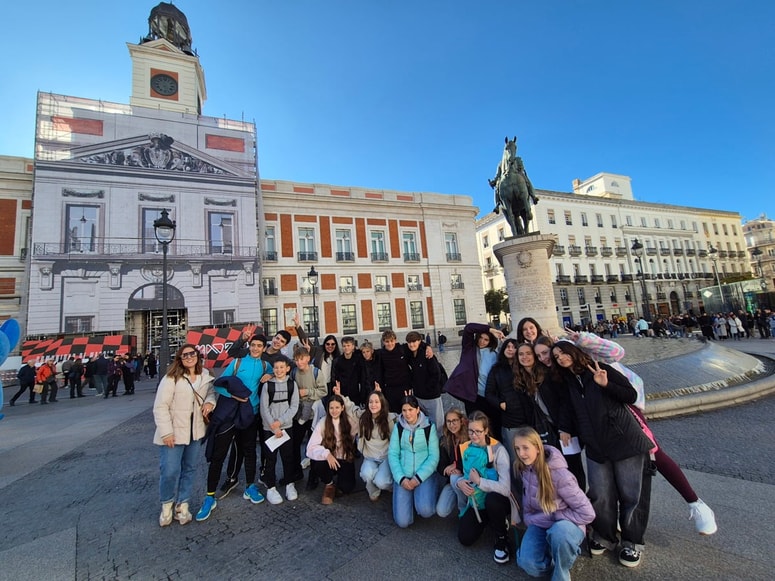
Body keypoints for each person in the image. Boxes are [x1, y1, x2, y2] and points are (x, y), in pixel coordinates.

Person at [562, 328, 717, 534]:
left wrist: (583, 338)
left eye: (562, 353)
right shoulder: (563, 367)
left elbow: (617, 352)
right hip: (597, 420)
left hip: (624, 407)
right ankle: (618, 516)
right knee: (611, 469)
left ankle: (696, 504)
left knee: (654, 453)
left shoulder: (588, 351)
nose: (560, 357)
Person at [551, 341, 653, 568]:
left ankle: (632, 542)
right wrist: (564, 427)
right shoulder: (568, 382)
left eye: (563, 353)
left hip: (624, 441)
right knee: (600, 494)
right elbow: (568, 407)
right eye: (556, 356)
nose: (561, 358)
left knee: (631, 494)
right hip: (595, 446)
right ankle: (605, 536)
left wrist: (606, 385)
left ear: (574, 351)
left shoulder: (601, 368)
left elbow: (631, 394)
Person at [198, 334, 272, 520]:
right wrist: (234, 396)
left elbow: (279, 375)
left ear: (264, 348)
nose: (255, 348)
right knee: (219, 454)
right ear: (249, 346)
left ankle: (250, 486)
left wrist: (270, 375)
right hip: (231, 414)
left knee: (249, 451)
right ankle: (209, 496)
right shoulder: (238, 362)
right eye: (253, 345)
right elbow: (219, 385)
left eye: (259, 346)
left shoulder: (266, 365)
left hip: (250, 414)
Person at [514, 427, 594, 581]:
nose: (521, 453)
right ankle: (555, 556)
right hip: (541, 522)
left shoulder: (561, 475)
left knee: (559, 532)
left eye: (525, 448)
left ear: (538, 448)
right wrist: (529, 520)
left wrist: (556, 516)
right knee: (528, 564)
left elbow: (587, 513)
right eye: (517, 449)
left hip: (566, 525)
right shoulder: (525, 469)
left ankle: (561, 571)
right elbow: (528, 507)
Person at [152, 344, 215, 527]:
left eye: (192, 354)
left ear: (197, 355)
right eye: (184, 355)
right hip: (174, 431)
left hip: (195, 431)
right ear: (179, 359)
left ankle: (183, 504)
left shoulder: (205, 375)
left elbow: (210, 394)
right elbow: (160, 406)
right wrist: (166, 432)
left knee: (189, 469)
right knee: (169, 470)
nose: (189, 357)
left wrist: (210, 403)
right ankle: (167, 504)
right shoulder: (171, 378)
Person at [454, 411, 512, 564]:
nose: (473, 435)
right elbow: (466, 475)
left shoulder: (498, 450)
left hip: (498, 500)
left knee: (492, 500)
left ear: (486, 430)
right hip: (477, 501)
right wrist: (460, 483)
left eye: (478, 431)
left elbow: (506, 488)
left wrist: (480, 482)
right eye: (470, 431)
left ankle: (501, 537)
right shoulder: (466, 447)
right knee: (465, 538)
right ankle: (490, 520)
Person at [444, 323, 505, 438]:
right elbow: (468, 328)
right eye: (480, 338)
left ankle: (496, 448)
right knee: (475, 428)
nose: (482, 341)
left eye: (486, 340)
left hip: (490, 397)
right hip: (473, 397)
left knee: (494, 428)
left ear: (491, 341)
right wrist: (490, 330)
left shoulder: (495, 355)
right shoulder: (469, 349)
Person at [388, 395, 439, 528]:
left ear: (417, 410)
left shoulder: (429, 427)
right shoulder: (398, 427)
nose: (407, 414)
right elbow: (393, 454)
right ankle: (409, 499)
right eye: (404, 410)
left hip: (423, 475)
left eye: (410, 410)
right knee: (402, 522)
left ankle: (425, 494)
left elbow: (434, 456)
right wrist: (401, 478)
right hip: (404, 474)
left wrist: (418, 479)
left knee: (426, 510)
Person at [485, 338, 531, 468]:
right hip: (510, 419)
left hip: (529, 418)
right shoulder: (496, 369)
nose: (511, 349)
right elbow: (489, 393)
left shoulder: (523, 367)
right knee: (514, 457)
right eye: (508, 346)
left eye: (514, 347)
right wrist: (501, 404)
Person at [260, 356, 300, 504]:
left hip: (286, 426)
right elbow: (264, 408)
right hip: (269, 428)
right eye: (276, 368)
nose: (279, 370)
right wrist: (273, 424)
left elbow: (294, 406)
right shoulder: (267, 386)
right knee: (270, 458)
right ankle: (271, 487)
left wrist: (280, 422)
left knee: (288, 457)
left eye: (282, 367)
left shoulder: (292, 384)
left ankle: (290, 483)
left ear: (287, 368)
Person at [306, 393, 358, 504]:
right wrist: (326, 454)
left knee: (347, 488)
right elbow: (310, 448)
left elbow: (362, 418)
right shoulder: (323, 422)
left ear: (342, 408)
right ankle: (329, 483)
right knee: (318, 463)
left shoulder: (350, 421)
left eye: (337, 407)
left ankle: (341, 482)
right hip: (330, 459)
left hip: (344, 458)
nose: (334, 411)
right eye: (331, 408)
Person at [288, 346, 327, 486]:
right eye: (296, 360)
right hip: (298, 413)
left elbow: (323, 391)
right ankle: (296, 472)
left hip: (314, 414)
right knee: (294, 444)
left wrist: (308, 392)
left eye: (302, 359)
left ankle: (313, 476)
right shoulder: (293, 373)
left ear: (308, 358)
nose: (299, 362)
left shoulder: (316, 372)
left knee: (314, 446)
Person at [354, 390, 396, 501]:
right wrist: (340, 396)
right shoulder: (363, 418)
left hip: (385, 457)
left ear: (382, 403)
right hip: (370, 457)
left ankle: (390, 486)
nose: (373, 405)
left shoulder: (389, 419)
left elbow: (395, 441)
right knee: (365, 474)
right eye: (371, 402)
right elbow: (351, 409)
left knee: (381, 482)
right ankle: (373, 491)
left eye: (377, 402)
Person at [405, 331, 443, 431]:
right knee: (422, 424)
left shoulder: (427, 354)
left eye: (414, 342)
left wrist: (428, 388)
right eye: (409, 342)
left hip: (431, 397)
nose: (411, 344)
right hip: (418, 397)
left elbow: (436, 374)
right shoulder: (410, 354)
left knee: (437, 424)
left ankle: (439, 440)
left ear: (419, 341)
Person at [436, 408, 468, 517]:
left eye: (454, 421)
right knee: (442, 511)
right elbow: (440, 466)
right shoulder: (444, 440)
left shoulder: (469, 437)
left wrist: (457, 466)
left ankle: (463, 509)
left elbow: (473, 461)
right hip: (452, 479)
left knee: (455, 478)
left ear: (461, 421)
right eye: (448, 421)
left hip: (468, 477)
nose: (451, 425)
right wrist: (446, 470)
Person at [331, 336, 364, 405]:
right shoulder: (337, 361)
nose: (346, 348)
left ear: (353, 346)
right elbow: (334, 377)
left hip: (355, 393)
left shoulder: (358, 360)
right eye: (344, 346)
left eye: (348, 345)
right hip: (342, 393)